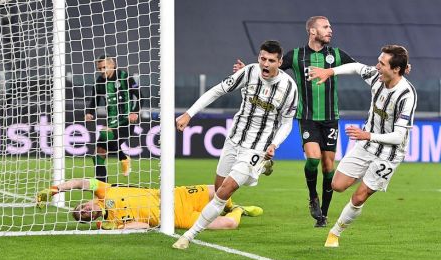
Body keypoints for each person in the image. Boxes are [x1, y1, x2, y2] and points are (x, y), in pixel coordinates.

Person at [172, 40, 298, 249]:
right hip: (234, 139)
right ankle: (258, 173)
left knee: (224, 192)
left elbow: (286, 122)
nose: (265, 64)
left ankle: (188, 236)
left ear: (280, 62)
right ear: (259, 57)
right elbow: (217, 90)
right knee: (219, 186)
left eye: (271, 61)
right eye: (263, 59)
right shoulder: (248, 72)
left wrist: (275, 143)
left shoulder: (288, 88)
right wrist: (189, 113)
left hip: (257, 147)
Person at [233, 16, 356, 227]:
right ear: (312, 31)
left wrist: (397, 67)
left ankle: (323, 214)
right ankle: (312, 197)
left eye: (330, 27)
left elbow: (361, 69)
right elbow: (271, 71)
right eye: (325, 27)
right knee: (314, 159)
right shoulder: (296, 56)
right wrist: (249, 72)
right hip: (307, 117)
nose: (330, 30)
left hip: (330, 119)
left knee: (328, 168)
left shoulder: (336, 55)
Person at [308, 45, 416, 247]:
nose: (377, 66)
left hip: (388, 154)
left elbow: (399, 136)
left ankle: (335, 232)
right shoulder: (377, 77)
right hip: (366, 145)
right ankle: (363, 181)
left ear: (396, 69)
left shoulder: (406, 95)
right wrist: (330, 71)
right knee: (337, 185)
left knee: (360, 196)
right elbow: (357, 68)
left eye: (382, 64)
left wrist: (368, 134)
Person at [36, 178, 263, 230]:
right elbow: (144, 226)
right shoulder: (111, 222)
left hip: (176, 196)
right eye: (85, 215)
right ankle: (238, 210)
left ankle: (228, 203)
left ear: (87, 201)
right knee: (228, 225)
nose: (86, 211)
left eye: (83, 208)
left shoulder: (104, 191)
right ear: (91, 219)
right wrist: (120, 229)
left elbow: (79, 182)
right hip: (176, 219)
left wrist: (55, 189)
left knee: (220, 187)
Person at [85, 55, 141, 182]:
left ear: (112, 65)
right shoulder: (99, 82)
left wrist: (135, 112)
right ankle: (102, 191)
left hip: (126, 121)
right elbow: (94, 100)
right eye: (99, 68)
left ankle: (123, 158)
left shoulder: (124, 77)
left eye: (104, 67)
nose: (102, 70)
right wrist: (89, 112)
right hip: (111, 122)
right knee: (98, 155)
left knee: (105, 132)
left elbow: (140, 96)